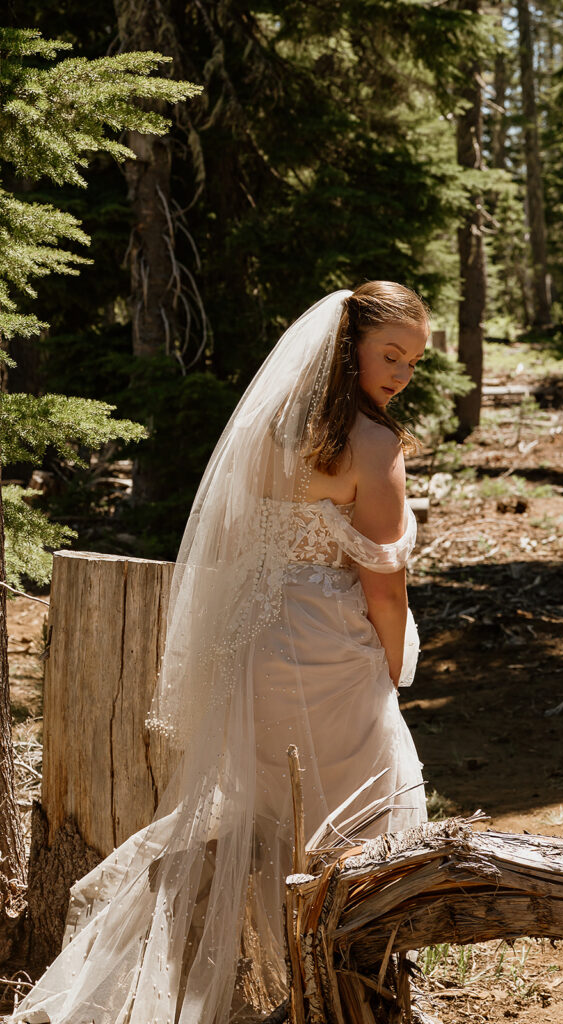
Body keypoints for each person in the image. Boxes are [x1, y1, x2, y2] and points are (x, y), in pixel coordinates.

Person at [10, 281, 429, 1024]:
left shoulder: (269, 428)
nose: (400, 375)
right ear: (348, 348)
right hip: (329, 651)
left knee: (264, 827)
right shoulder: (373, 442)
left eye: (411, 363)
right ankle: (346, 999)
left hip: (253, 642)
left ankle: (265, 990)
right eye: (388, 355)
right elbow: (384, 586)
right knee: (358, 830)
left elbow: (235, 541)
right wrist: (396, 667)